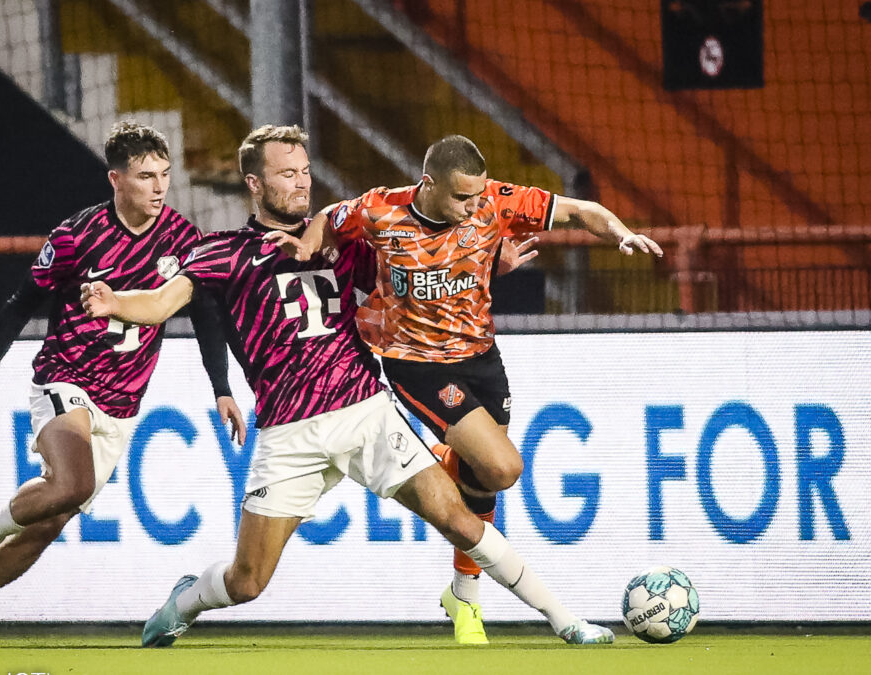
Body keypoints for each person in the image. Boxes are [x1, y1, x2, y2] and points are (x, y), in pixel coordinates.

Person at [80, 124, 614, 647]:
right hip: (291, 434)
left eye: (305, 171)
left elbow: (416, 276)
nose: (302, 183)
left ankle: (565, 621)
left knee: (458, 517)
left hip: (365, 412)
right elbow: (160, 303)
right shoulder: (222, 252)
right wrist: (116, 304)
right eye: (287, 174)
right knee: (248, 582)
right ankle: (186, 601)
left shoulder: (343, 242)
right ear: (255, 184)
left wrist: (486, 263)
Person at [268, 134, 663, 644]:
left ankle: (464, 594)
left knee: (482, 478)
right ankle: (431, 463)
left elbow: (581, 210)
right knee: (502, 466)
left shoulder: (494, 202)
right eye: (461, 198)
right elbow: (331, 215)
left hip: (481, 357)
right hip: (417, 364)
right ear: (428, 183)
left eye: (477, 196)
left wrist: (621, 234)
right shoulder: (381, 211)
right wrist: (306, 242)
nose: (472, 207)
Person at [0, 121, 244, 647]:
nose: (158, 188)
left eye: (164, 175)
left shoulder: (183, 239)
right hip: (64, 379)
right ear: (115, 179)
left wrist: (221, 387)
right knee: (73, 483)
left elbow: (204, 312)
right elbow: (19, 305)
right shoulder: (76, 235)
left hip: (124, 402)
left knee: (48, 523)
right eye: (145, 176)